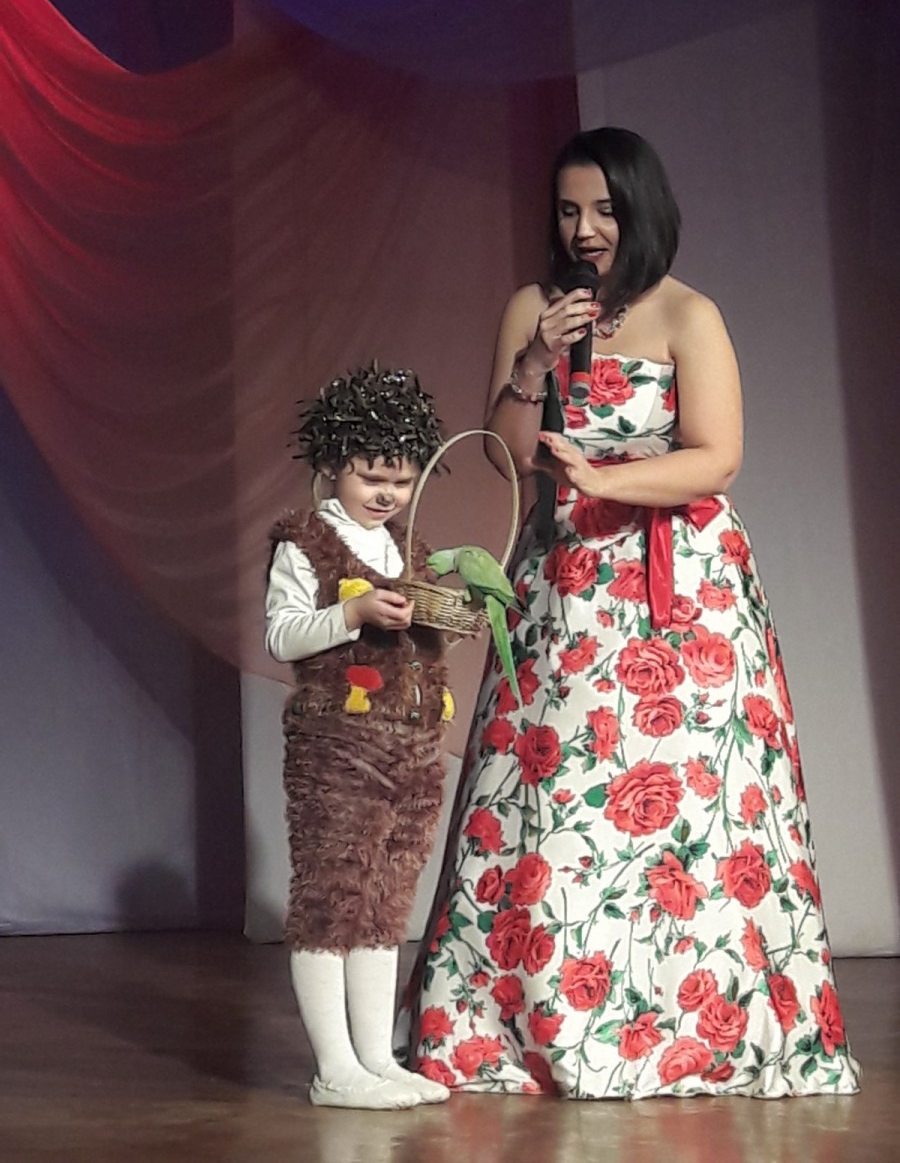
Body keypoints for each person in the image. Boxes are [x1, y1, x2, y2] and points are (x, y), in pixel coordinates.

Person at [411, 128, 861, 1099]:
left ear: (642, 209)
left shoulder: (689, 314)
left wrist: (608, 479)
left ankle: (698, 1028)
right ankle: (538, 1024)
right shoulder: (533, 308)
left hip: (681, 590)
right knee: (553, 798)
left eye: (605, 210)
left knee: (695, 806)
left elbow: (717, 457)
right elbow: (502, 453)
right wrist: (535, 361)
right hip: (565, 586)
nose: (585, 229)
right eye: (569, 210)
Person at [266, 362, 454, 1109]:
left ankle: (376, 1058)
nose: (387, 494)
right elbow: (283, 635)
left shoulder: (407, 548)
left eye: (401, 481)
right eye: (372, 477)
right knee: (332, 897)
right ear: (334, 466)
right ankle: (334, 1068)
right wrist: (352, 614)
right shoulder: (306, 543)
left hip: (411, 747)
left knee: (385, 902)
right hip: (337, 748)